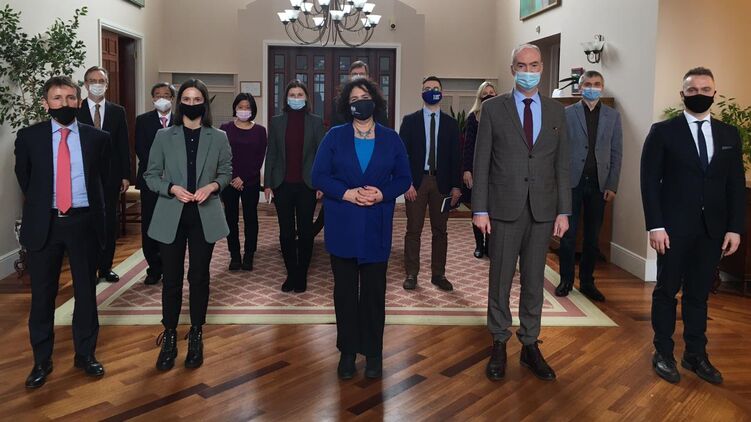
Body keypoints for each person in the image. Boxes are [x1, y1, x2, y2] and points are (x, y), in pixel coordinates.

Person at [641, 67, 745, 385]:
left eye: (705, 89)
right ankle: (663, 353)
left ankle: (695, 355)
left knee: (699, 295)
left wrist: (735, 227)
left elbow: (735, 185)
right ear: (682, 94)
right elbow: (649, 182)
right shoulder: (663, 132)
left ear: (714, 93)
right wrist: (655, 225)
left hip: (712, 230)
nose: (699, 94)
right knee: (666, 291)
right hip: (672, 229)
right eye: (692, 89)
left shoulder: (729, 135)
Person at [473, 44, 570, 382]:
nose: (528, 71)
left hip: (543, 210)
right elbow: (481, 163)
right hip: (503, 208)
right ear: (512, 69)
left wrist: (564, 211)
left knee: (533, 281)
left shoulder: (557, 111)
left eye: (534, 65)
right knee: (500, 279)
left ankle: (530, 344)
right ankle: (499, 341)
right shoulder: (493, 108)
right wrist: (480, 209)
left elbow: (562, 165)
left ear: (542, 68)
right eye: (522, 65)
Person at [313, 78, 411, 379]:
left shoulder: (391, 138)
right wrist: (347, 193)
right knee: (344, 294)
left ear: (375, 101)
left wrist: (382, 194)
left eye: (364, 96)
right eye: (353, 98)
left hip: (376, 226)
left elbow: (403, 178)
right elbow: (318, 176)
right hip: (342, 225)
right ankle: (347, 352)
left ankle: (373, 353)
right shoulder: (334, 136)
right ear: (347, 105)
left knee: (374, 294)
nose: (360, 102)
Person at [15, 76, 110, 389]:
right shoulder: (29, 137)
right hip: (46, 224)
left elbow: (104, 181)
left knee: (86, 292)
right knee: (43, 295)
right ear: (46, 104)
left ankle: (85, 354)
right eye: (57, 98)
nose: (64, 103)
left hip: (84, 223)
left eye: (70, 98)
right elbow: (25, 178)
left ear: (79, 102)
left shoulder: (98, 138)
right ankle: (41, 360)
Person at [144, 79, 232, 371]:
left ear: (205, 103)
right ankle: (169, 334)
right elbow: (150, 175)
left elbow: (226, 172)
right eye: (187, 99)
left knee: (199, 277)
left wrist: (213, 186)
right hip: (171, 213)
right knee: (171, 279)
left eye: (197, 100)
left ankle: (196, 333)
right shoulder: (163, 136)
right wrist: (170, 188)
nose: (192, 104)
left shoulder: (218, 137)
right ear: (179, 102)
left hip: (203, 215)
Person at [556, 71, 623, 301]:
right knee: (568, 235)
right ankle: (566, 280)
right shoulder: (567, 113)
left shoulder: (613, 116)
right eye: (587, 84)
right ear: (580, 87)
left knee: (592, 238)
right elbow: (559, 149)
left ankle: (587, 282)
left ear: (602, 87)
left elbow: (617, 152)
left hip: (599, 185)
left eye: (596, 84)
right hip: (571, 183)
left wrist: (612, 184)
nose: (592, 87)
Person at [400, 76, 462, 292]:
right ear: (422, 93)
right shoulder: (410, 121)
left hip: (442, 183)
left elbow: (456, 157)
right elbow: (402, 156)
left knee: (440, 231)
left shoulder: (451, 124)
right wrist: (406, 183)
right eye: (427, 88)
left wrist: (456, 186)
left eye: (436, 88)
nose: (432, 91)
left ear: (441, 93)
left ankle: (438, 274)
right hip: (416, 183)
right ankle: (411, 273)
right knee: (413, 229)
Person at [264, 80, 325, 293]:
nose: (296, 98)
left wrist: (322, 183)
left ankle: (302, 274)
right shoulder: (277, 122)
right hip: (282, 185)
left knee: (306, 232)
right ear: (286, 98)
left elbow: (321, 155)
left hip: (308, 185)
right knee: (286, 233)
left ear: (306, 98)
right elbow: (271, 153)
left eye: (300, 95)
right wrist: (267, 184)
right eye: (292, 94)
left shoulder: (315, 122)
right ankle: (291, 273)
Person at [77, 66, 131, 283]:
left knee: (109, 222)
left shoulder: (117, 111)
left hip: (110, 176)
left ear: (107, 84)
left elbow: (123, 144)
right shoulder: (76, 109)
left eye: (101, 81)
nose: (97, 84)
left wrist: (125, 175)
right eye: (93, 80)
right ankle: (87, 268)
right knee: (86, 223)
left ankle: (105, 267)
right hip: (82, 176)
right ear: (85, 84)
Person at [220, 93, 267, 271]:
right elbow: (222, 156)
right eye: (241, 107)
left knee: (250, 219)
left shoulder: (260, 131)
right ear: (235, 108)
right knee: (230, 219)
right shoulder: (225, 128)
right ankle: (234, 255)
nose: (244, 110)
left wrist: (243, 178)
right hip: (229, 181)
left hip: (251, 182)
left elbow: (259, 158)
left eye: (247, 107)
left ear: (253, 110)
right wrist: (233, 177)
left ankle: (249, 254)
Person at [135, 82, 175, 285]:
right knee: (150, 224)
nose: (162, 98)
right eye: (158, 95)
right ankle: (154, 268)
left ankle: (170, 267)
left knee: (171, 224)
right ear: (152, 98)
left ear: (172, 99)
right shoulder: (143, 120)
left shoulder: (180, 120)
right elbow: (140, 148)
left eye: (166, 95)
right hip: (150, 180)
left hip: (176, 182)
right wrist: (158, 169)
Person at [463, 81, 497, 259]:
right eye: (485, 93)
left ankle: (490, 245)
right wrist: (467, 170)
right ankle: (479, 245)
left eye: (492, 92)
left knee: (493, 209)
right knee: (478, 207)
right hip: (477, 170)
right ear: (480, 96)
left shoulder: (502, 116)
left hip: (497, 171)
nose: (489, 95)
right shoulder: (473, 117)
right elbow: (468, 147)